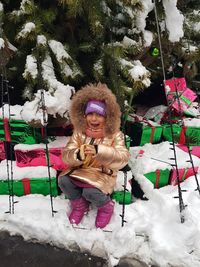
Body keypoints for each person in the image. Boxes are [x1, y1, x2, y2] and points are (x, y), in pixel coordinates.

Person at [58, 83, 130, 228]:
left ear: (107, 117)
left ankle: (106, 207)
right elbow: (66, 154)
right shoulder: (79, 132)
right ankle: (79, 205)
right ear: (84, 115)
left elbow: (123, 158)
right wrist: (78, 154)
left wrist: (100, 151)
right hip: (80, 171)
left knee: (90, 191)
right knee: (63, 181)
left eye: (99, 115)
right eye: (90, 114)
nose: (94, 119)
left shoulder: (115, 135)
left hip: (102, 174)